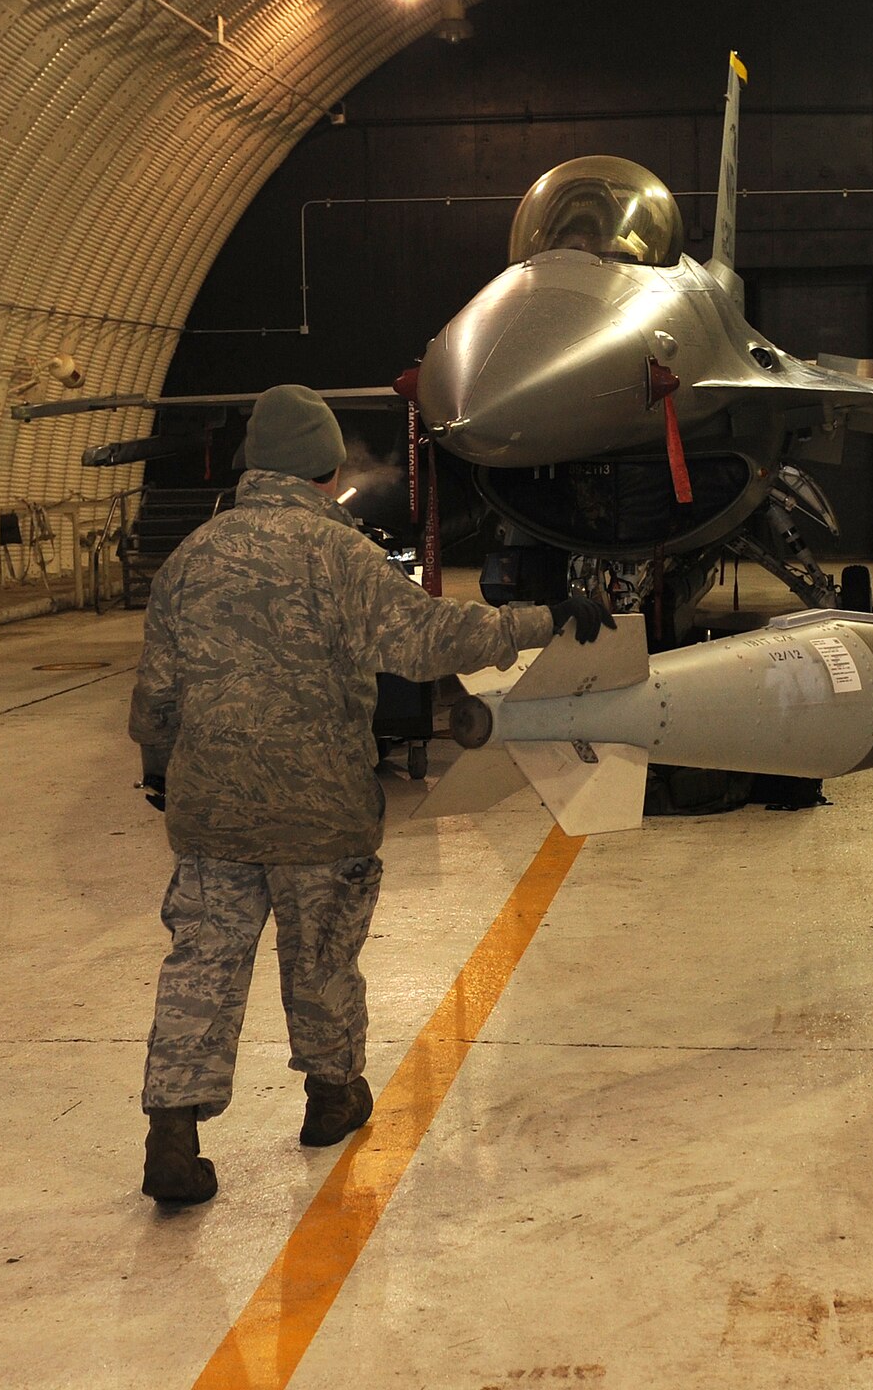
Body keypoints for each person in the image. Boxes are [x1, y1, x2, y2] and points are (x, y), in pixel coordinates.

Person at [129, 383, 612, 1205]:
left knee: (201, 967)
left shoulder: (190, 559)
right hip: (319, 806)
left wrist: (177, 774)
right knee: (320, 956)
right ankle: (331, 1096)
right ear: (324, 467)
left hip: (213, 810)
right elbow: (430, 642)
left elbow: (156, 702)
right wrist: (543, 621)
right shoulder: (341, 557)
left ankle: (173, 1130)